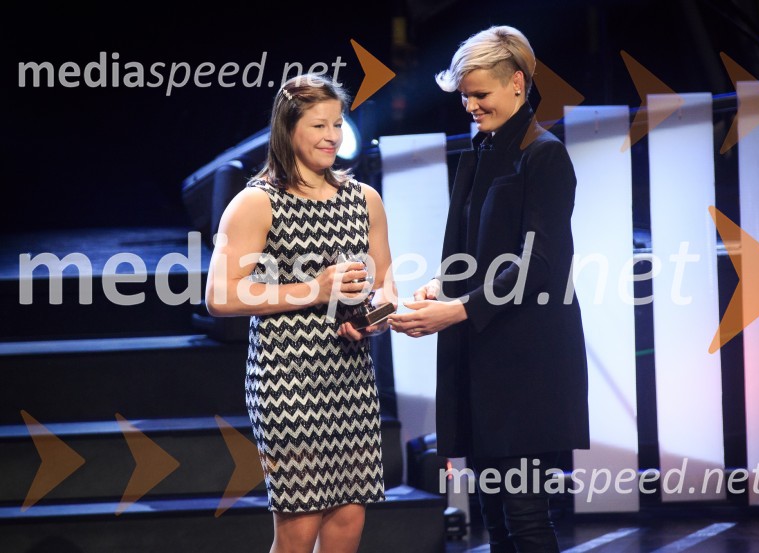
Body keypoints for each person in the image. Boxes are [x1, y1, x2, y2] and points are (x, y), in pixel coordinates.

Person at [387, 26, 589, 552]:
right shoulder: (481, 149)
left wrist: (455, 311)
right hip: (483, 362)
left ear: (517, 83)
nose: (471, 106)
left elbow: (536, 264)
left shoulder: (544, 155)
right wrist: (440, 286)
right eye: (464, 97)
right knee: (495, 520)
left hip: (528, 367)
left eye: (480, 94)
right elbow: (473, 252)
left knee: (525, 518)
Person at [205, 74, 396, 553]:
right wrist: (314, 290)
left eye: (337, 124)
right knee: (299, 526)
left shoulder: (364, 199)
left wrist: (374, 318)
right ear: (288, 129)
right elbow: (220, 296)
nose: (332, 136)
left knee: (349, 516)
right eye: (318, 125)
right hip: (287, 383)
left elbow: (386, 282)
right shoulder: (256, 202)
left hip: (351, 379)